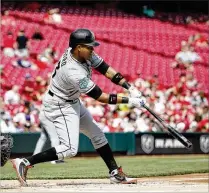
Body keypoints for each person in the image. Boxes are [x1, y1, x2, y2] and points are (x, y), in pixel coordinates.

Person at [11, 28, 144, 186]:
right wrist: (129, 100)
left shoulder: (80, 52)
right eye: (89, 46)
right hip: (59, 105)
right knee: (69, 149)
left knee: (97, 135)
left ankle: (115, 173)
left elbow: (105, 68)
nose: (92, 49)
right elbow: (100, 96)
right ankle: (24, 162)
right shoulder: (73, 71)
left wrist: (128, 86)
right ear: (78, 47)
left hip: (71, 101)